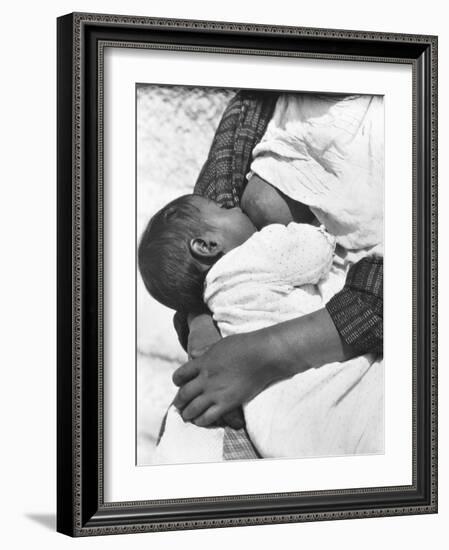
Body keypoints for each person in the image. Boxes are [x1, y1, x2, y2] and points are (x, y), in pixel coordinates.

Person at [166, 90, 384, 460]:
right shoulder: (256, 103)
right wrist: (201, 325)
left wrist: (269, 352)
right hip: (261, 386)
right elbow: (205, 224)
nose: (227, 205)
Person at [139, 193, 382, 462]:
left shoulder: (214, 300)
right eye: (223, 207)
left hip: (281, 434)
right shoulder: (257, 252)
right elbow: (317, 248)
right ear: (206, 245)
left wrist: (198, 318)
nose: (233, 204)